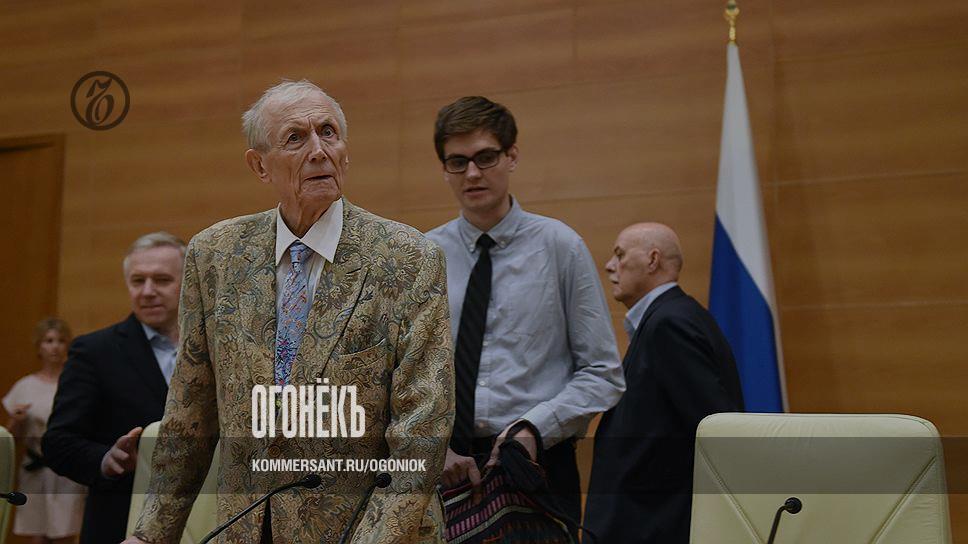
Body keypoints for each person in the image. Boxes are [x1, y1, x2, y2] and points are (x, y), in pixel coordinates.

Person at [125, 80, 453, 543]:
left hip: (364, 529)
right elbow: (189, 413)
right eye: (295, 138)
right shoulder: (215, 255)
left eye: (328, 132)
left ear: (345, 151)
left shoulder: (408, 257)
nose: (319, 151)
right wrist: (150, 534)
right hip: (245, 527)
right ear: (259, 165)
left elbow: (423, 423)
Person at [425, 96, 625, 525]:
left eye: (485, 157)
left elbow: (602, 372)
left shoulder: (560, 247)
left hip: (537, 463)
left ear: (511, 156)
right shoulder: (423, 256)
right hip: (444, 469)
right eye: (457, 162)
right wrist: (432, 444)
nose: (472, 173)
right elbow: (400, 375)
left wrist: (535, 427)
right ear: (444, 169)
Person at [584, 223, 745, 543]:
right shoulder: (672, 317)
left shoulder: (669, 324)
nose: (610, 265)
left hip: (654, 523)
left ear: (652, 260)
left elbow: (711, 426)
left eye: (620, 254)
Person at [42, 232, 185, 544]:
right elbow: (58, 442)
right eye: (138, 281)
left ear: (189, 282)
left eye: (162, 280)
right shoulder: (94, 352)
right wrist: (106, 459)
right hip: (121, 523)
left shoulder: (218, 347)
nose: (147, 291)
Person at [2, 318, 86, 544]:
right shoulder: (25, 386)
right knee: (37, 534)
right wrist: (16, 420)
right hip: (36, 468)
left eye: (60, 340)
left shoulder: (76, 384)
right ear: (39, 346)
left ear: (67, 345)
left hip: (67, 470)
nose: (55, 346)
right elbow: (9, 439)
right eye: (48, 341)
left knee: (65, 532)